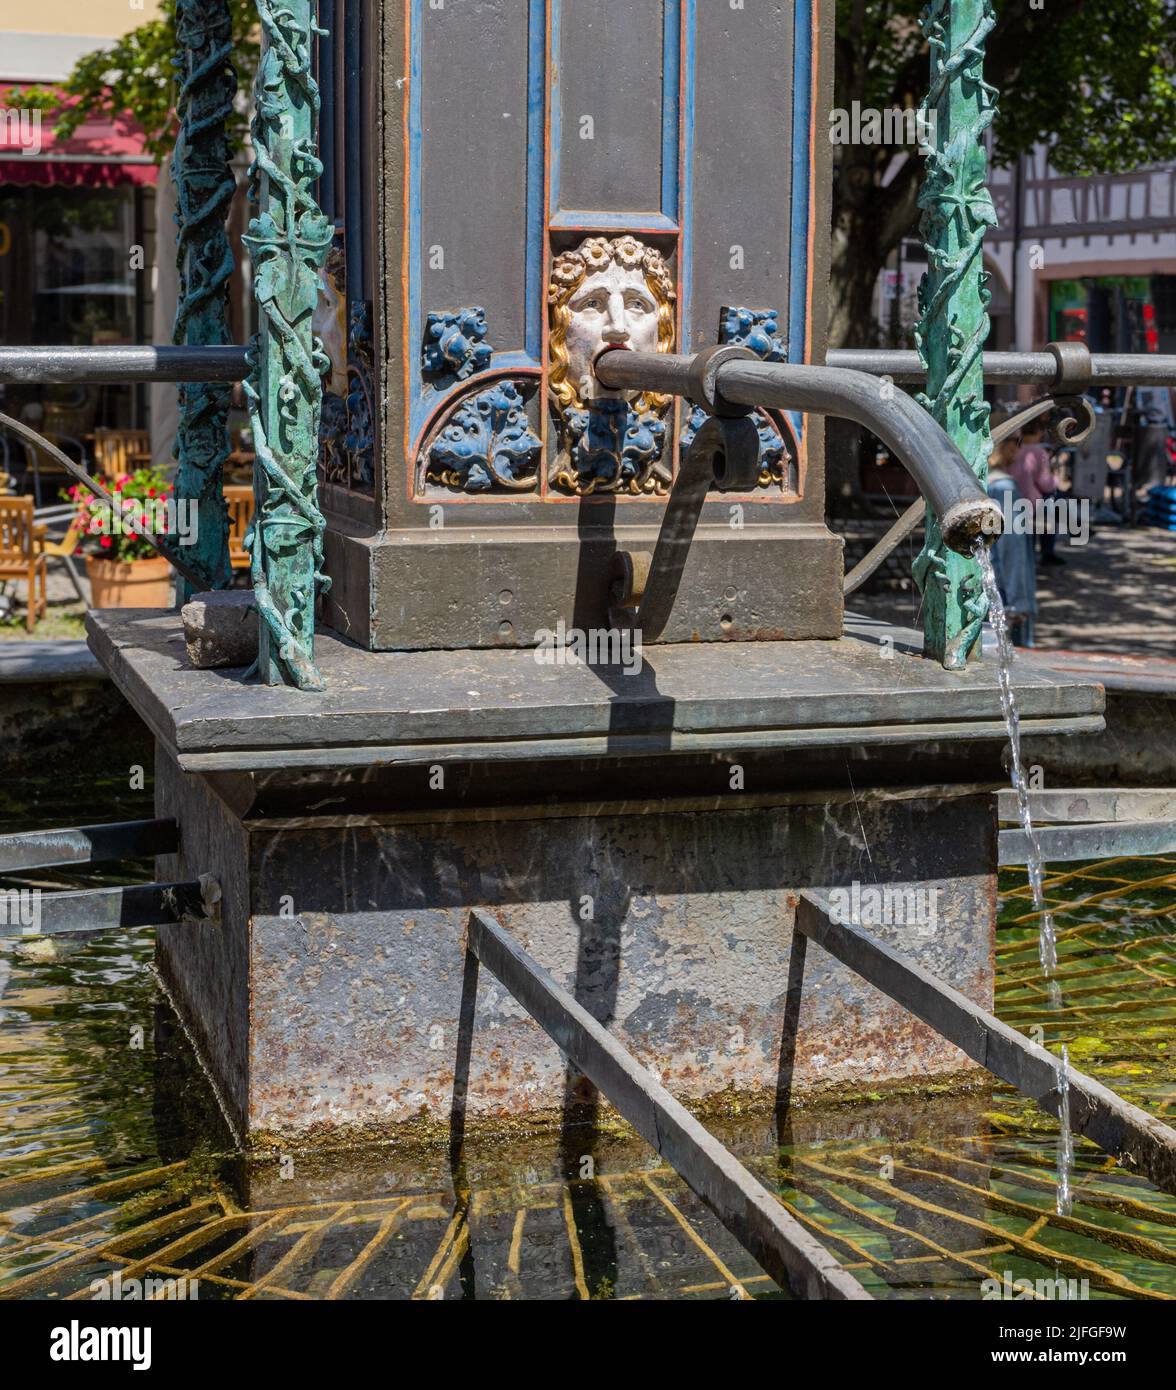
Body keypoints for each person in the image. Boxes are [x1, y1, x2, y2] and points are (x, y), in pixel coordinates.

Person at [987, 434, 1037, 647]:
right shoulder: (1003, 486)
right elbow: (1012, 547)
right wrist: (1019, 603)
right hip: (1005, 594)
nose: (1018, 451)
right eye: (1016, 443)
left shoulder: (976, 481)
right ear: (1002, 445)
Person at [1010, 420, 1064, 565]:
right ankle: (1048, 552)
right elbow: (1046, 484)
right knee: (1050, 504)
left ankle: (1028, 556)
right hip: (1031, 501)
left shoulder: (1014, 449)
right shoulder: (1039, 452)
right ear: (1039, 432)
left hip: (1012, 498)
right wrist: (1057, 479)